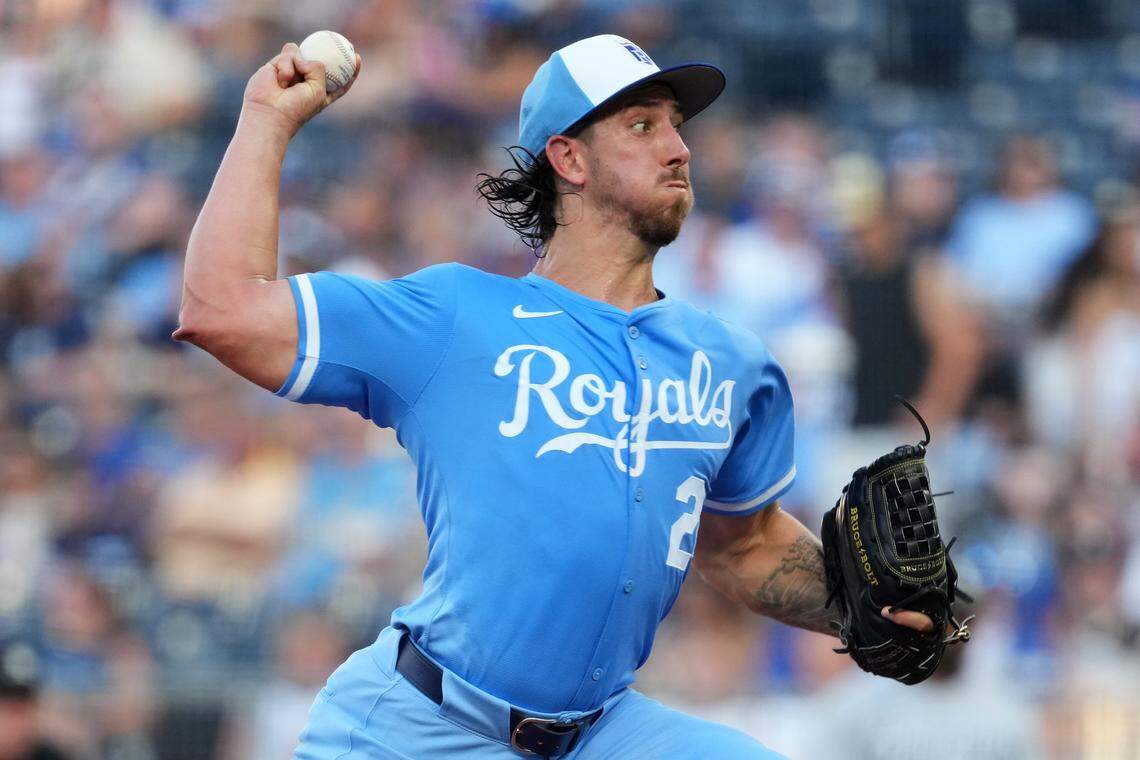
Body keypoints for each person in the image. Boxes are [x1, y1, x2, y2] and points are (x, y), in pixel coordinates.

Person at [175, 33, 935, 759]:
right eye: (642, 125)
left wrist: (861, 601)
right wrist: (266, 120)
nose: (678, 147)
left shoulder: (727, 362)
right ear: (568, 158)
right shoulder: (453, 317)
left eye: (676, 126)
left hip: (603, 735)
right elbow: (223, 310)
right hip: (418, 728)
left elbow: (743, 545)